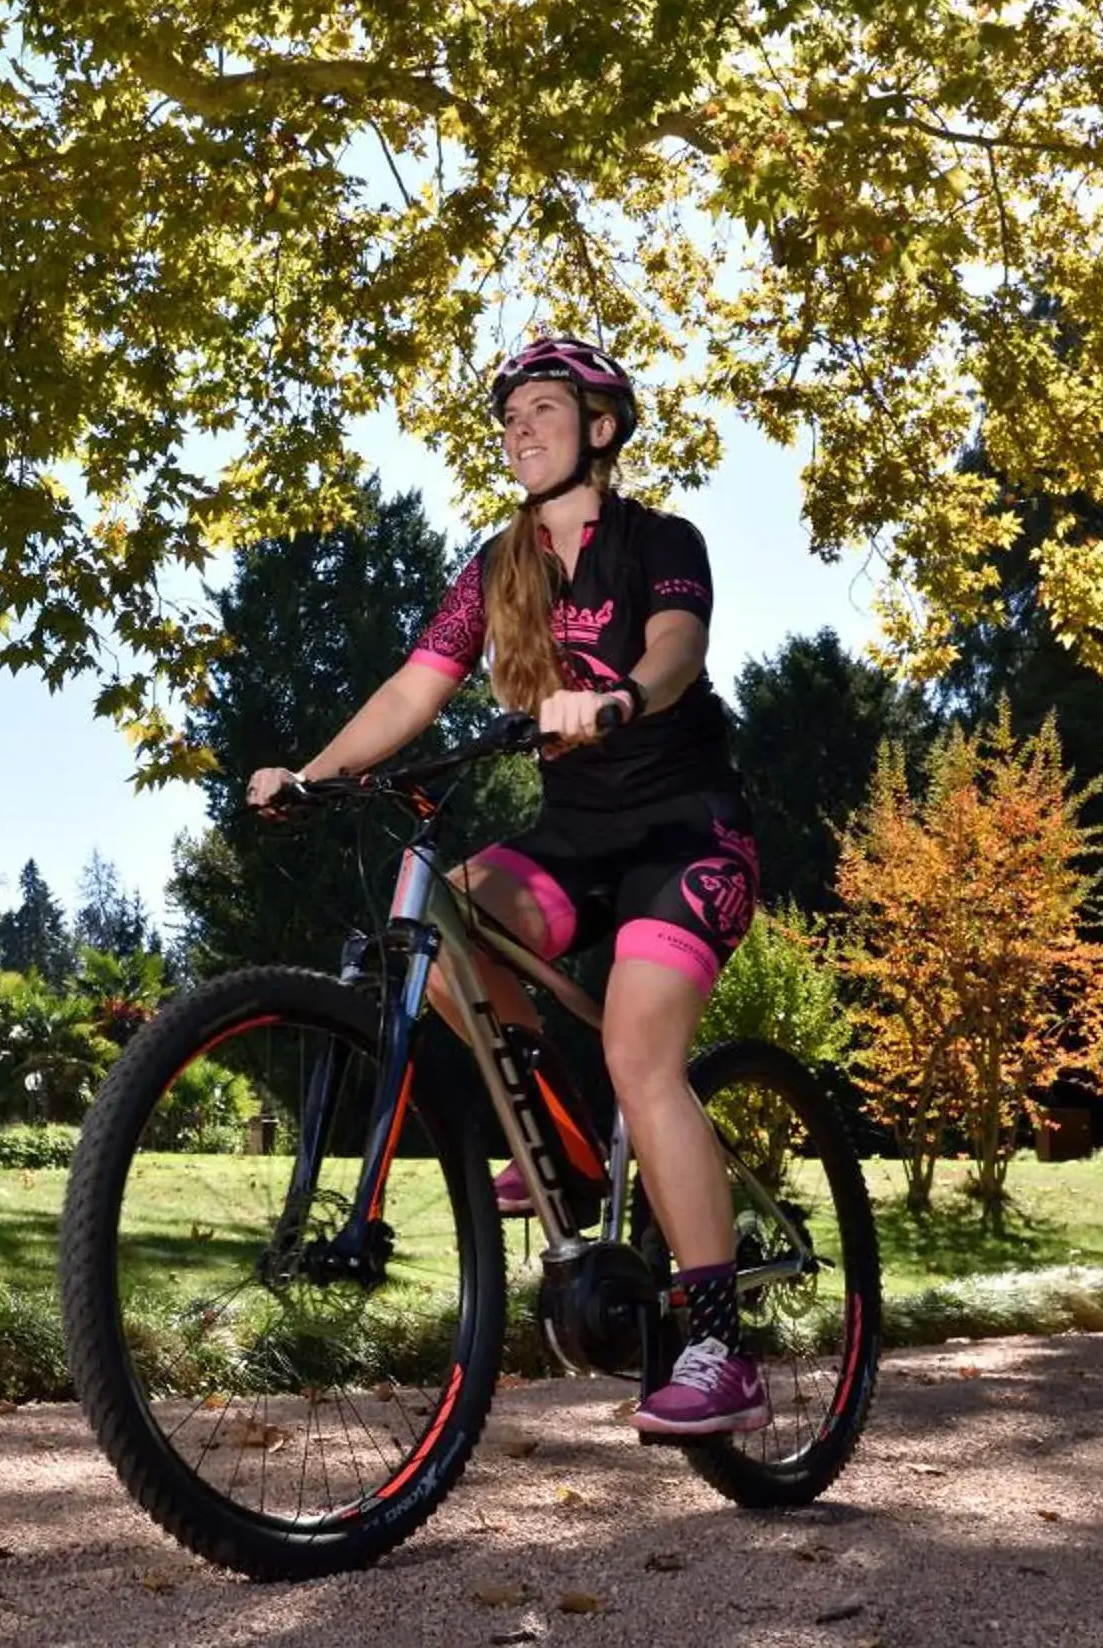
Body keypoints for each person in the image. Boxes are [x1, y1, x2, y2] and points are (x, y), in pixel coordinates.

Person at [244, 335, 767, 1439]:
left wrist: (619, 697)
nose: (521, 429)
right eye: (510, 416)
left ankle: (721, 1345)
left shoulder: (660, 541)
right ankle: (564, 1151)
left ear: (602, 428)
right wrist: (315, 772)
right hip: (577, 834)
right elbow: (413, 686)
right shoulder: (496, 569)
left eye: (544, 408)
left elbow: (675, 647)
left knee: (639, 1047)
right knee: (442, 913)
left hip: (689, 834)